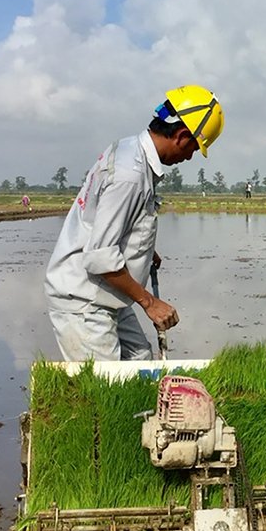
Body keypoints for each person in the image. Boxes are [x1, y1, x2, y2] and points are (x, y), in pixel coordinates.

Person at [43, 85, 224, 361]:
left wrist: (142, 249)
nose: (189, 157)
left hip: (109, 292)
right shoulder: (130, 174)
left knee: (140, 360)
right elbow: (99, 257)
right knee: (107, 389)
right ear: (182, 135)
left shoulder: (130, 150)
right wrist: (150, 303)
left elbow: (112, 221)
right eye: (193, 149)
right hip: (85, 299)